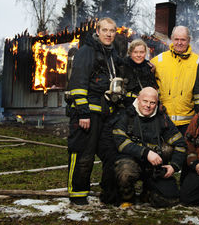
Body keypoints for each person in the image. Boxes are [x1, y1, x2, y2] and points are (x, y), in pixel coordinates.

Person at [66, 17, 123, 205]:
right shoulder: (86, 51)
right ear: (97, 31)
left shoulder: (112, 54)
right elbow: (78, 84)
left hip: (106, 115)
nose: (108, 34)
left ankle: (109, 194)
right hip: (88, 114)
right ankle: (78, 195)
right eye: (105, 30)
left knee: (111, 153)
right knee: (83, 154)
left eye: (112, 31)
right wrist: (83, 113)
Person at [111, 87, 187, 207]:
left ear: (157, 103)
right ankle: (127, 198)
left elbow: (181, 144)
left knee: (170, 199)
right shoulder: (126, 115)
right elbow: (120, 143)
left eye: (152, 103)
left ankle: (148, 193)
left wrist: (174, 166)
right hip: (132, 162)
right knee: (125, 171)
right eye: (145, 101)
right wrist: (146, 153)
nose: (148, 106)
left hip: (154, 167)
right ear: (138, 99)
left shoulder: (163, 118)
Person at [150, 26, 199, 135]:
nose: (179, 43)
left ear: (189, 40)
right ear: (172, 39)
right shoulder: (159, 60)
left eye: (183, 39)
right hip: (163, 121)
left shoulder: (198, 62)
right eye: (176, 39)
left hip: (188, 123)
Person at [122, 39, 158, 107]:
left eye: (141, 52)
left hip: (144, 108)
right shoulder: (123, 67)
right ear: (130, 53)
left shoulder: (149, 68)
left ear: (145, 53)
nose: (138, 55)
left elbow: (154, 89)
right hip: (126, 108)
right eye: (135, 52)